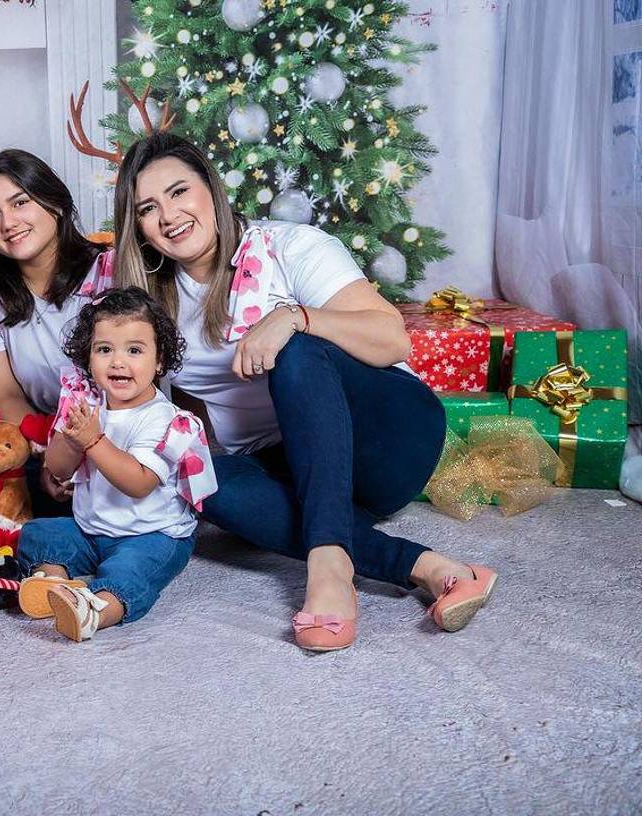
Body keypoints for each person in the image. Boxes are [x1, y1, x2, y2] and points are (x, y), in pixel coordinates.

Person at [112, 132, 497, 652]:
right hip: (288, 464)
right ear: (137, 227)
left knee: (295, 348)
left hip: (385, 439)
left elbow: (392, 338)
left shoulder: (288, 246)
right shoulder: (148, 301)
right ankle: (426, 567)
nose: (169, 216)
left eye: (180, 192)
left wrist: (294, 316)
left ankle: (329, 567)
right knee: (201, 477)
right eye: (148, 208)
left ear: (212, 189)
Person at [14, 287, 215, 642]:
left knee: (130, 572)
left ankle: (94, 610)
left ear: (160, 361)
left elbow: (138, 483)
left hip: (153, 535)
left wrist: (93, 441)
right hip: (92, 530)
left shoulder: (163, 419)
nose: (118, 362)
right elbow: (58, 470)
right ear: (88, 358)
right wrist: (71, 439)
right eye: (104, 350)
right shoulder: (89, 408)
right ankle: (55, 584)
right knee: (40, 533)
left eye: (134, 350)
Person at [0, 149, 113, 513]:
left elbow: (128, 390)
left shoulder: (110, 269)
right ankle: (49, 491)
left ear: (56, 204)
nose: (7, 223)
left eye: (20, 203)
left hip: (109, 432)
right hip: (34, 431)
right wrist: (50, 456)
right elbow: (6, 395)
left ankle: (69, 496)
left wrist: (78, 453)